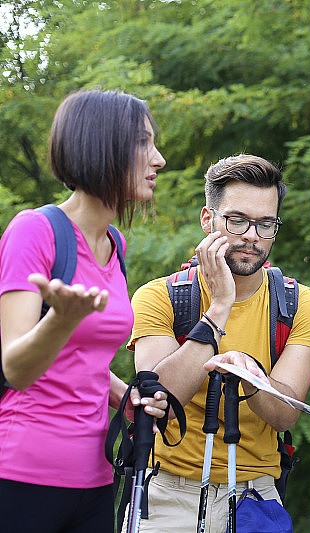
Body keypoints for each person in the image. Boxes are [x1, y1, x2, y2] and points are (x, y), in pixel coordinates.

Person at [126, 153, 310, 532]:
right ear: (208, 219)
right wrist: (219, 308)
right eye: (237, 220)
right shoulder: (158, 296)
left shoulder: (301, 304)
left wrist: (253, 378)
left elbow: (286, 416)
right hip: (168, 492)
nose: (251, 235)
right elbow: (162, 405)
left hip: (256, 495)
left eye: (266, 224)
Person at [0, 89, 169, 532]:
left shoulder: (116, 244)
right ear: (102, 146)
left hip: (96, 477)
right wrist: (62, 319)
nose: (158, 159)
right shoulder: (34, 231)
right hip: (24, 472)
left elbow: (83, 359)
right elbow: (16, 368)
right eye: (143, 143)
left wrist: (125, 396)